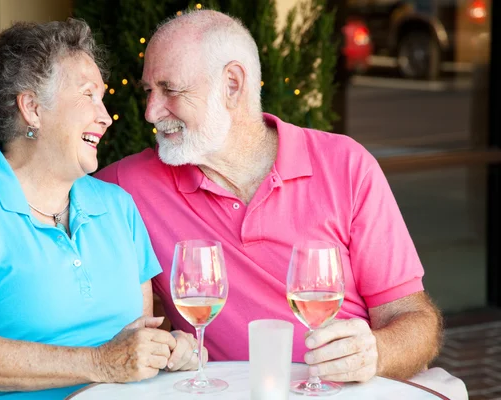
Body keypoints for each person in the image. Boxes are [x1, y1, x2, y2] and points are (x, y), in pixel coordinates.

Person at [95, 10, 444, 384]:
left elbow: (417, 321)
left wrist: (376, 352)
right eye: (149, 91)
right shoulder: (126, 186)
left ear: (232, 84)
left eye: (170, 90)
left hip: (345, 391)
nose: (151, 112)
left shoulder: (345, 164)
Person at [0, 19, 204, 400]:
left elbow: (131, 341)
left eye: (103, 97)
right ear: (32, 109)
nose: (105, 116)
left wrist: (168, 349)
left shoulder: (116, 207)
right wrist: (100, 362)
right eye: (88, 95)